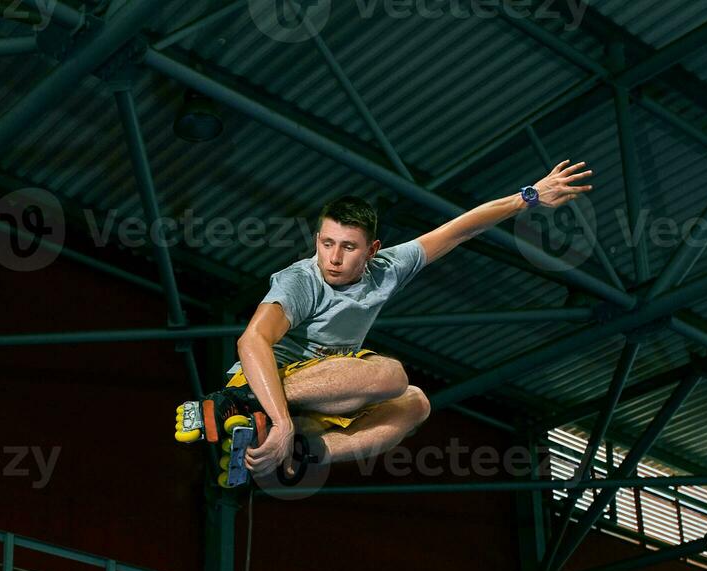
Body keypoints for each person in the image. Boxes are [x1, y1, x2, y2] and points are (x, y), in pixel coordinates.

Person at [179, 160, 595, 483]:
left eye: (347, 247)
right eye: (326, 244)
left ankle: (305, 451)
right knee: (390, 374)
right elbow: (252, 341)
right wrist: (279, 416)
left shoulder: (390, 267)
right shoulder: (300, 281)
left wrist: (529, 197)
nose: (333, 258)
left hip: (320, 397)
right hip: (262, 383)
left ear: (372, 250)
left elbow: (461, 229)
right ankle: (242, 406)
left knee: (415, 403)